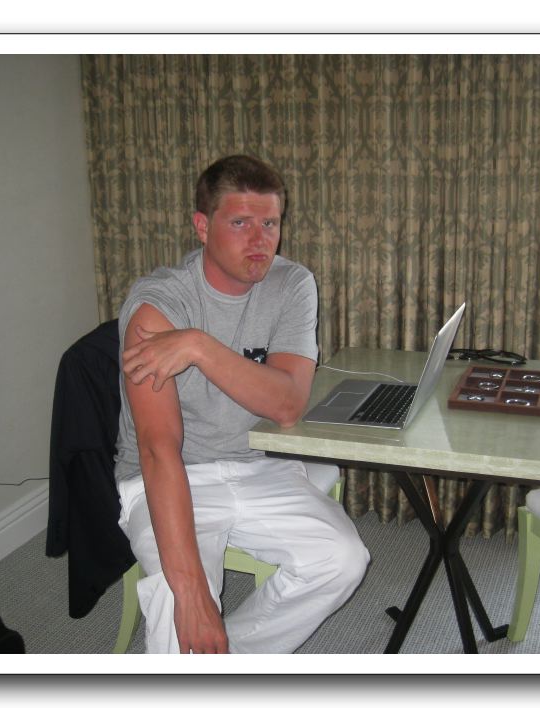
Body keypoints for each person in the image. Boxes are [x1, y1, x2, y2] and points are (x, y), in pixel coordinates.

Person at [113, 155, 369, 654]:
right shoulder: (157, 307)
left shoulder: (292, 284)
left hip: (261, 466)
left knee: (341, 560)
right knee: (176, 608)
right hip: (173, 477)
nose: (260, 240)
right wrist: (190, 590)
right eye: (240, 223)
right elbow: (158, 449)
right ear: (202, 227)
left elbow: (287, 405)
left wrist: (198, 346)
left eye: (270, 223)